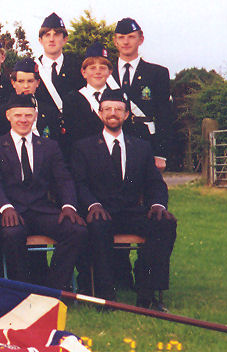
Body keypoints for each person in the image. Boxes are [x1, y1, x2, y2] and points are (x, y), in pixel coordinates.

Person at [71, 88, 177, 310]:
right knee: (97, 226)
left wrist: (158, 204)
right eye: (107, 109)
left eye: (118, 109)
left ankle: (148, 294)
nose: (113, 113)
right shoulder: (84, 147)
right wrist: (93, 205)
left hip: (131, 211)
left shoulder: (141, 147)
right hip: (101, 211)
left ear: (127, 114)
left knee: (165, 223)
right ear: (99, 113)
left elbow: (155, 182)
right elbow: (78, 183)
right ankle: (105, 296)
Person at [0, 93, 87, 290]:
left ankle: (53, 289)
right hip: (12, 211)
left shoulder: (49, 146)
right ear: (8, 116)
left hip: (42, 210)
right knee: (12, 235)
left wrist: (68, 206)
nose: (23, 120)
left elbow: (63, 178)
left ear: (35, 116)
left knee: (76, 230)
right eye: (18, 115)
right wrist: (5, 208)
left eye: (28, 115)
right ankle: (22, 291)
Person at [111, 17, 174, 171]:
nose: (126, 42)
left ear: (141, 39)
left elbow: (164, 114)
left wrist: (161, 153)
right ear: (115, 41)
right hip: (112, 140)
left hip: (145, 141)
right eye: (121, 38)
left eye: (131, 37)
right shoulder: (105, 73)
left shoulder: (157, 73)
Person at [35, 13, 84, 154]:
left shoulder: (77, 66)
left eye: (56, 34)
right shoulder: (32, 69)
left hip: (73, 137)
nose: (51, 39)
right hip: (43, 136)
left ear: (65, 39)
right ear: (40, 40)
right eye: (47, 34)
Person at [63, 42, 114, 146]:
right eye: (92, 68)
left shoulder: (117, 97)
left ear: (109, 72)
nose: (98, 72)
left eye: (103, 68)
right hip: (84, 156)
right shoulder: (72, 99)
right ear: (83, 72)